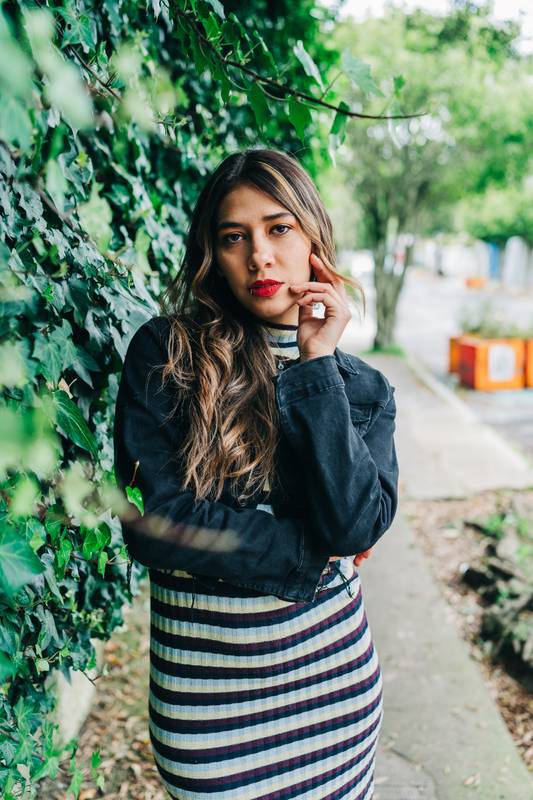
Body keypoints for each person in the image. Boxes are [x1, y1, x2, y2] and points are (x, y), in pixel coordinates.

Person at [113, 148, 399, 799]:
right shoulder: (169, 354)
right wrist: (307, 551)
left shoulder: (360, 388)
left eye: (278, 229)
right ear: (213, 255)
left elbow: (356, 523)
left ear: (312, 239)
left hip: (335, 697)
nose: (259, 257)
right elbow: (154, 522)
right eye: (233, 237)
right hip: (209, 718)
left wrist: (315, 365)